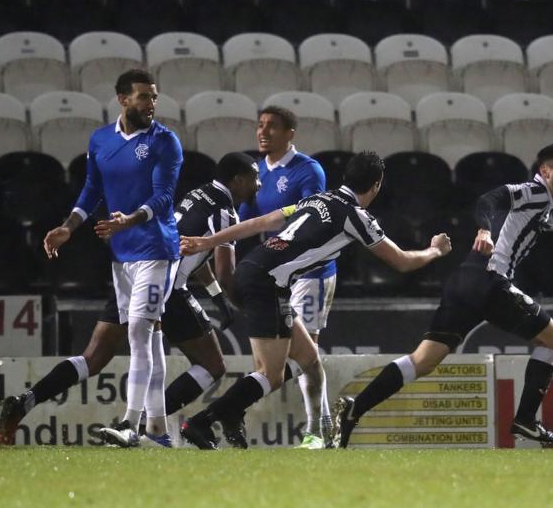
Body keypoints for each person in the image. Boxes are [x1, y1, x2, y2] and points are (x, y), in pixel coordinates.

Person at [334, 144, 553, 448]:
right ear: (545, 171)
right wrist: (485, 230)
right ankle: (526, 420)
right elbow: (490, 199)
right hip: (490, 280)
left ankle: (354, 409)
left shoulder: (546, 209)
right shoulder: (535, 192)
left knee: (422, 361)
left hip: (465, 281)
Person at [178, 152, 452, 450]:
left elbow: (262, 222)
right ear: (376, 185)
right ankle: (204, 421)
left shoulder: (317, 200)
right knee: (271, 373)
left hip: (255, 272)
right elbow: (401, 261)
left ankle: (310, 433)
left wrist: (209, 241)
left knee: (308, 358)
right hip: (266, 283)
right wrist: (435, 250)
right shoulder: (356, 216)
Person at [0, 153, 259, 446]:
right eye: (254, 178)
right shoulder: (225, 213)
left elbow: (194, 251)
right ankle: (146, 425)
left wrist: (217, 298)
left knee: (91, 359)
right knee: (212, 365)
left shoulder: (195, 196)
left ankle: (25, 401)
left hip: (136, 274)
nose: (258, 185)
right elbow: (225, 271)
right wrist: (245, 302)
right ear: (238, 180)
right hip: (166, 287)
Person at [38, 69, 182, 448]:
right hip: (122, 254)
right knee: (149, 339)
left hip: (156, 248)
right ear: (123, 99)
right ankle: (159, 432)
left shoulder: (165, 141)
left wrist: (129, 219)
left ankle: (129, 425)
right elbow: (91, 190)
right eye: (143, 97)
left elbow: (165, 196)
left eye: (154, 97)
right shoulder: (101, 140)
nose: (151, 104)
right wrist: (69, 226)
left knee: (137, 330)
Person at [238, 105, 336, 449]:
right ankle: (325, 428)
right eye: (260, 126)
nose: (263, 132)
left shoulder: (307, 170)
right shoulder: (256, 171)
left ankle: (317, 431)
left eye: (272, 127)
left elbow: (311, 224)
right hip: (276, 275)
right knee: (297, 355)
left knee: (306, 352)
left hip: (311, 272)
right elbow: (246, 220)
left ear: (290, 133)